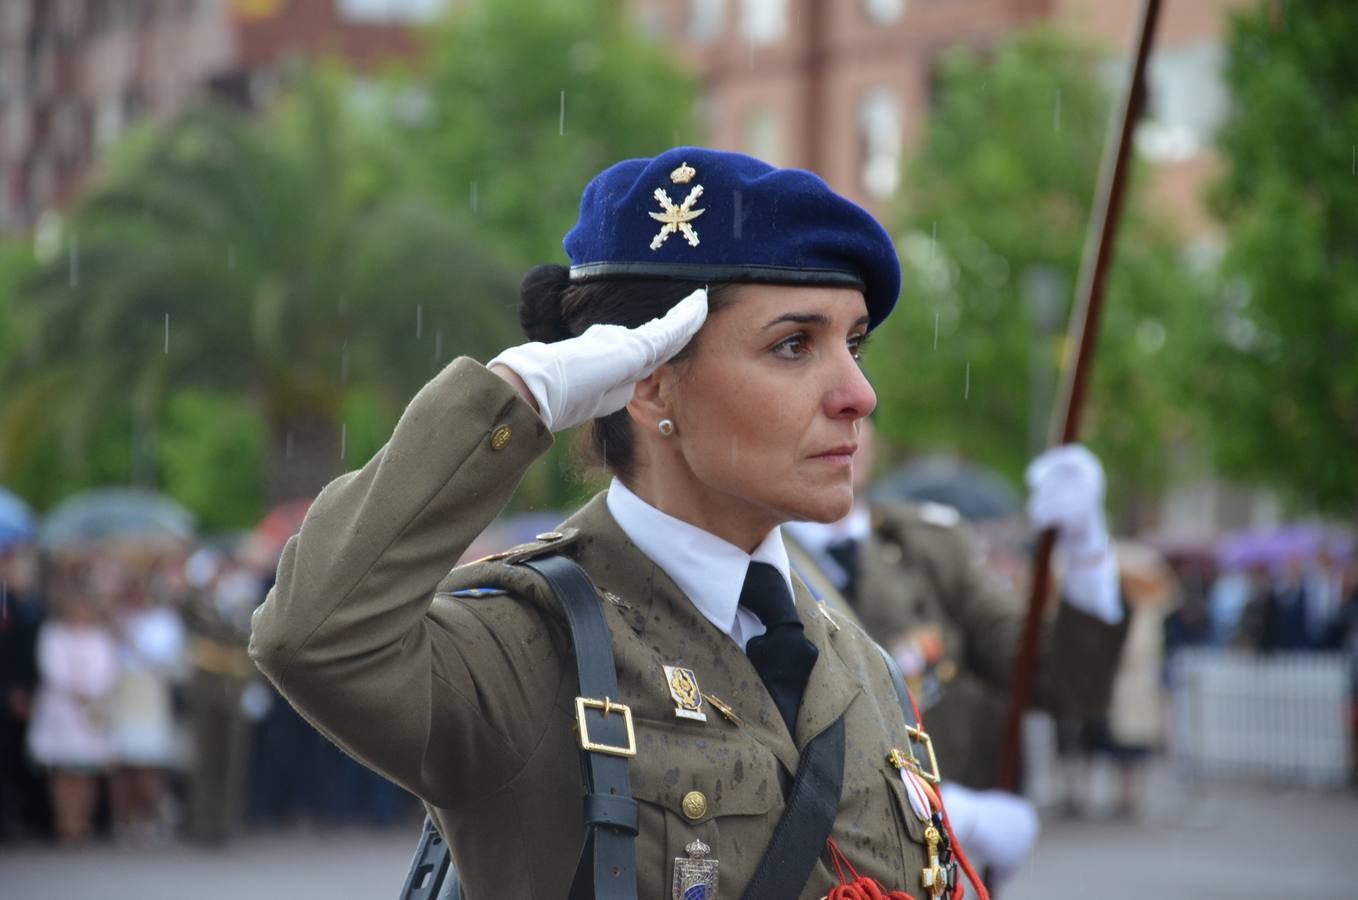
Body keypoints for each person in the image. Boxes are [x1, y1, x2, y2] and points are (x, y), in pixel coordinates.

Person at [251, 148, 991, 898]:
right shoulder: (532, 645)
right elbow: (312, 636)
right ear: (651, 384)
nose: (858, 393)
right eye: (794, 345)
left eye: (854, 343)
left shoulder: (858, 657)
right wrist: (519, 395)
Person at [783, 420, 1124, 889]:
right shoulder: (752, 552)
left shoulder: (929, 546)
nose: (846, 425)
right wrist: (942, 810)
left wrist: (1086, 550)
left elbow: (1059, 681)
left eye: (861, 414)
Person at [26, 587, 119, 844]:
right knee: (63, 769)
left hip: (91, 707)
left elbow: (107, 669)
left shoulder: (99, 636)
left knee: (85, 769)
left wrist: (91, 690)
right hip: (62, 707)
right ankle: (65, 822)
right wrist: (74, 689)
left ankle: (82, 822)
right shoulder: (54, 634)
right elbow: (51, 667)